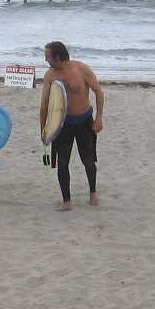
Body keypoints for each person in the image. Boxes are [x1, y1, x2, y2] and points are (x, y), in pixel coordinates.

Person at [40, 41, 104, 211]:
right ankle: (66, 201)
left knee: (88, 161)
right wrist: (44, 130)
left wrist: (98, 118)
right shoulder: (49, 75)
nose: (46, 59)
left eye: (47, 56)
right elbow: (44, 105)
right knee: (62, 162)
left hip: (84, 121)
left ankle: (92, 191)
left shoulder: (81, 69)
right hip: (63, 125)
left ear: (58, 56)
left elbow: (99, 92)